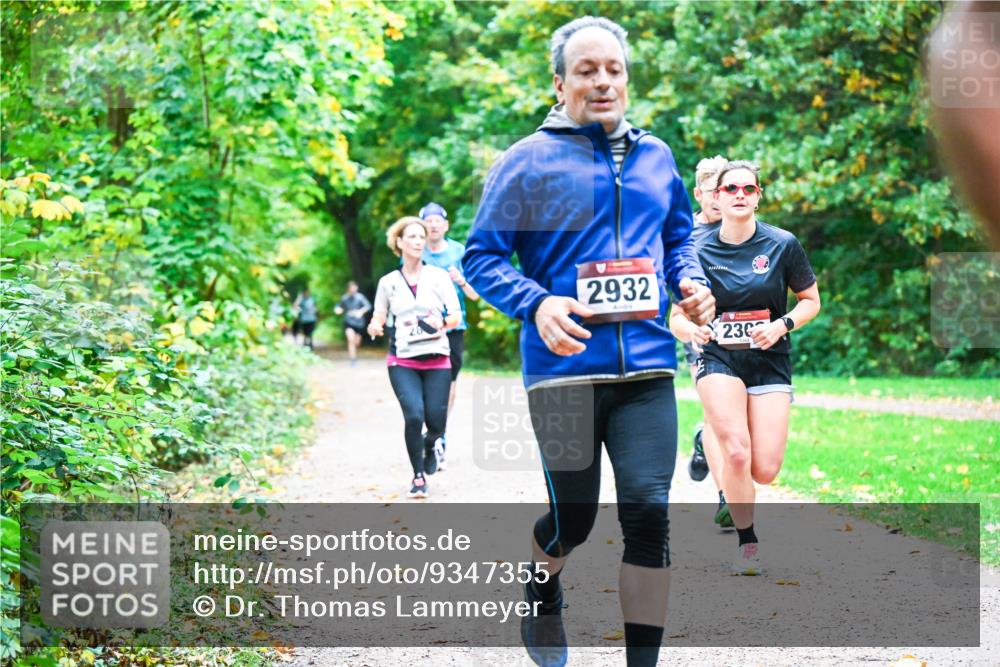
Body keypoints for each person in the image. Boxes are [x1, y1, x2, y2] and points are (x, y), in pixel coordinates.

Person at [463, 16, 715, 667]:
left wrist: (688, 280)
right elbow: (481, 257)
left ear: (626, 78)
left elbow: (676, 239)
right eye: (586, 70)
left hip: (646, 371)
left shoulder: (657, 157)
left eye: (614, 69)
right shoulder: (525, 162)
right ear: (559, 83)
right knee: (573, 519)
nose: (603, 81)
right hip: (563, 372)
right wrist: (536, 301)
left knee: (648, 513)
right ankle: (542, 588)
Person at [674, 160, 820, 575]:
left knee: (765, 470)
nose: (740, 195)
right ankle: (747, 543)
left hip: (770, 359)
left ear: (758, 197)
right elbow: (676, 316)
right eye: (731, 189)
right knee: (736, 452)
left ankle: (716, 443)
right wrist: (692, 331)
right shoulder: (696, 249)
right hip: (718, 356)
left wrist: (781, 325)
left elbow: (811, 301)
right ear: (716, 198)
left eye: (748, 189)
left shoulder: (782, 244)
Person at [368, 216, 461, 499]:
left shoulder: (439, 276)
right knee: (413, 416)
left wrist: (441, 323)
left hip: (437, 359)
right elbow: (380, 314)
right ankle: (418, 477)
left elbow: (455, 316)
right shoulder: (388, 282)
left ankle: (430, 444)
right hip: (403, 360)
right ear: (399, 242)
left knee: (436, 423)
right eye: (412, 236)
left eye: (422, 237)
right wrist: (375, 325)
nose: (419, 241)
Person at [670, 155, 734, 529]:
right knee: (716, 413)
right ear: (698, 193)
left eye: (725, 190)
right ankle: (726, 497)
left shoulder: (743, 228)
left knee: (740, 420)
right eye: (712, 192)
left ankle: (701, 442)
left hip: (744, 334)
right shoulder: (686, 237)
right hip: (701, 333)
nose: (719, 198)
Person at [418, 202, 480, 470]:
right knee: (425, 381)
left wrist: (461, 280)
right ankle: (430, 429)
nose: (433, 225)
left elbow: (475, 295)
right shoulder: (415, 251)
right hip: (422, 327)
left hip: (454, 327)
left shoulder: (459, 252)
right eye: (428, 221)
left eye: (437, 221)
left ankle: (439, 435)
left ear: (445, 225)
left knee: (449, 383)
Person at [334, 281, 371, 365]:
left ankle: (354, 354)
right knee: (351, 339)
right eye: (351, 289)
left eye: (355, 288)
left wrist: (361, 311)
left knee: (356, 343)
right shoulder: (344, 298)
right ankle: (353, 360)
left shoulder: (360, 297)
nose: (353, 290)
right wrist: (338, 310)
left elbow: (368, 306)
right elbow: (338, 306)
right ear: (348, 289)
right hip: (348, 321)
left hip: (359, 323)